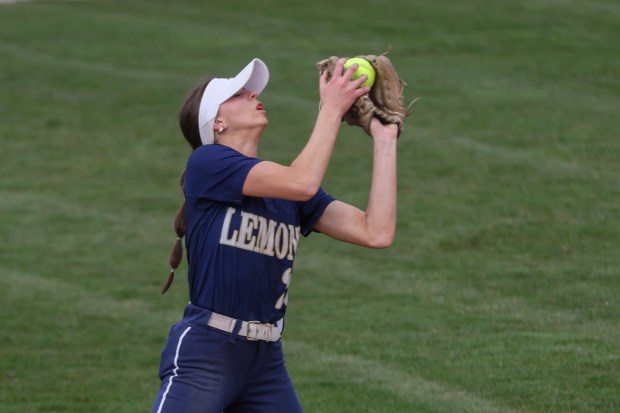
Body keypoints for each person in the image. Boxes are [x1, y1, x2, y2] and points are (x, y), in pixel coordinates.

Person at [151, 57, 399, 413]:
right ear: (216, 122)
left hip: (265, 361)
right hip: (207, 353)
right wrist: (331, 108)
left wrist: (384, 138)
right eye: (237, 94)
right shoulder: (207, 163)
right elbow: (303, 181)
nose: (252, 94)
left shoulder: (287, 191)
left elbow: (376, 231)